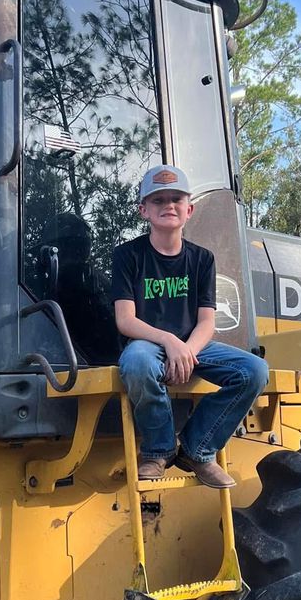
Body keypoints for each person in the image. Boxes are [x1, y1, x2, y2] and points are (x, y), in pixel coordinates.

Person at [111, 165, 268, 489]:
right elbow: (125, 320)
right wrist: (170, 342)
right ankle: (158, 450)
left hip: (195, 344)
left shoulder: (202, 259)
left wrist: (187, 351)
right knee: (138, 364)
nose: (168, 205)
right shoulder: (128, 255)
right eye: (158, 200)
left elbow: (207, 322)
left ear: (189, 209)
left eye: (176, 199)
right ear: (144, 210)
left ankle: (198, 449)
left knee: (254, 370)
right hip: (148, 342)